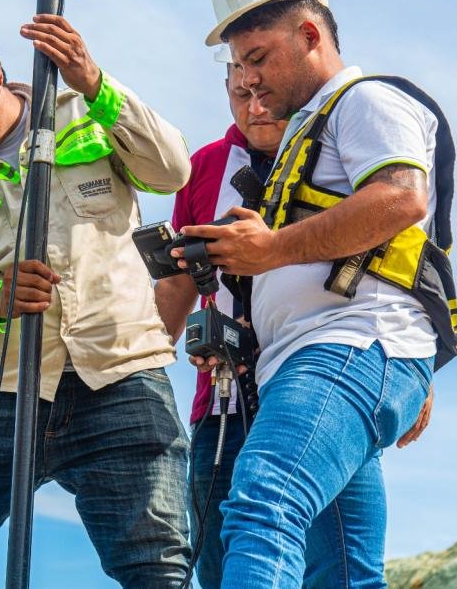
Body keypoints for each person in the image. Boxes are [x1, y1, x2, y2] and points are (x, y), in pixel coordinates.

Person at [0, 2, 192, 588]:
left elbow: (171, 171)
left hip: (120, 373)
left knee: (161, 571)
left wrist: (93, 82)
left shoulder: (85, 113)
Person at [177, 0, 457, 587]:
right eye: (236, 65)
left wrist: (272, 249)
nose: (247, 77)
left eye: (258, 57)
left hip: (345, 353)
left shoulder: (363, 101)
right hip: (325, 360)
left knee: (264, 499)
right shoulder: (309, 132)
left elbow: (400, 198)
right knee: (345, 576)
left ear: (309, 34)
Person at [154, 46, 285, 589]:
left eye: (265, 96)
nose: (254, 109)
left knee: (334, 566)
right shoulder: (204, 167)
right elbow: (176, 284)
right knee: (216, 565)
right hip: (221, 400)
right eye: (240, 96)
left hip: (317, 382)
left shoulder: (335, 149)